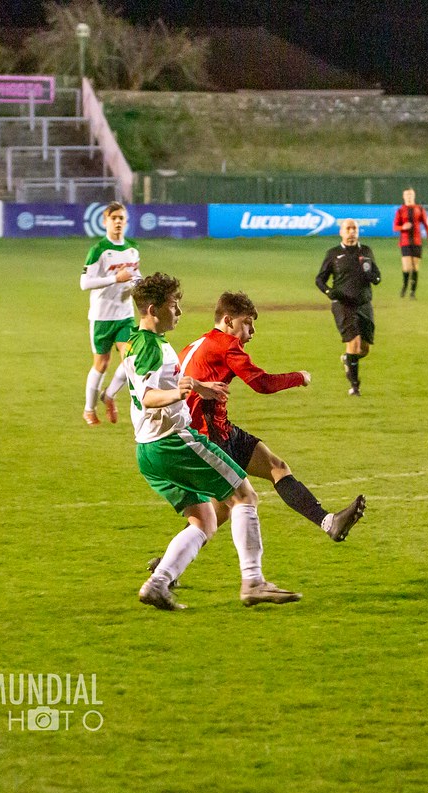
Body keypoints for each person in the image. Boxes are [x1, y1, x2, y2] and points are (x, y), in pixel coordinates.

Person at [126, 272, 301, 611]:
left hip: (148, 450)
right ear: (152, 309)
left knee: (205, 519)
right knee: (244, 494)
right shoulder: (150, 346)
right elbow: (147, 395)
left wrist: (196, 385)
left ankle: (158, 584)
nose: (179, 312)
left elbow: (147, 381)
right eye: (173, 306)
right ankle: (253, 581)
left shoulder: (139, 341)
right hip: (172, 441)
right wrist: (180, 391)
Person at [178, 290, 366, 544]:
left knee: (275, 468)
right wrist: (299, 377)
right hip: (207, 437)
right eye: (247, 323)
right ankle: (171, 568)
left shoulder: (197, 343)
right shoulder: (226, 345)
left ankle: (329, 522)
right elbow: (261, 383)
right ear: (227, 320)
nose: (252, 331)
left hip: (216, 430)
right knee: (231, 505)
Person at [79, 202, 141, 426]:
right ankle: (89, 409)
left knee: (131, 360)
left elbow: (135, 275)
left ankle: (110, 394)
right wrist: (115, 278)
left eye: (121, 218)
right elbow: (85, 283)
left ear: (126, 222)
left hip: (125, 315)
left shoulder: (132, 248)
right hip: (101, 317)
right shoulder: (99, 250)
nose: (117, 221)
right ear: (104, 221)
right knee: (102, 364)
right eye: (113, 217)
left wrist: (142, 285)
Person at [316, 219, 381, 396]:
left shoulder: (366, 251)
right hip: (343, 304)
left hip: (364, 304)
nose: (351, 231)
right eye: (348, 228)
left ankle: (348, 359)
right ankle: (355, 387)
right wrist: (329, 291)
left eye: (354, 228)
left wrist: (373, 277)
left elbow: (376, 276)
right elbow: (320, 279)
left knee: (364, 349)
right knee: (354, 342)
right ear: (341, 232)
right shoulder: (333, 254)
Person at [393, 188, 428, 299]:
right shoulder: (400, 211)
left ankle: (412, 292)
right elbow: (395, 227)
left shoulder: (419, 209)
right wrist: (403, 227)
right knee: (406, 267)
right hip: (405, 242)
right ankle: (405, 286)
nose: (409, 196)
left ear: (414, 196)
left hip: (417, 242)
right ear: (404, 196)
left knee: (415, 267)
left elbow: (426, 226)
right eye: (407, 195)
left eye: (411, 194)